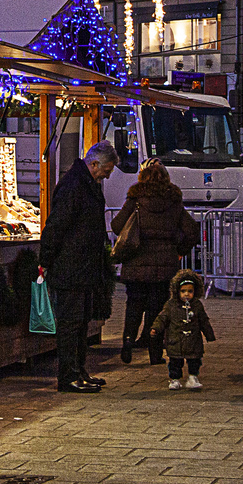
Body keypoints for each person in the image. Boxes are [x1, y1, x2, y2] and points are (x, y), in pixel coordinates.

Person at [40, 141, 117, 393]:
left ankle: (79, 371)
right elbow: (57, 224)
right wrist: (45, 260)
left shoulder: (86, 184)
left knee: (81, 322)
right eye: (106, 169)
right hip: (71, 267)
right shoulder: (74, 185)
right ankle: (68, 376)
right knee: (71, 323)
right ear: (94, 164)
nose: (108, 174)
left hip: (83, 266)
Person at [110, 159, 201, 365]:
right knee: (157, 309)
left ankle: (127, 341)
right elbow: (191, 231)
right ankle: (154, 353)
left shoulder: (136, 199)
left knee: (134, 304)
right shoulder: (174, 201)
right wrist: (179, 249)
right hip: (165, 267)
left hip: (136, 264)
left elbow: (117, 226)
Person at [150, 269, 215, 390]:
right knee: (175, 362)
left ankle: (192, 377)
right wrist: (156, 328)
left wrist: (209, 334)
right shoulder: (171, 305)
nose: (186, 294)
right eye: (183, 291)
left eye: (190, 291)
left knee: (194, 360)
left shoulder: (197, 305)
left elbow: (204, 321)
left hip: (193, 340)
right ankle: (174, 379)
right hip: (176, 339)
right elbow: (162, 317)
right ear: (177, 291)